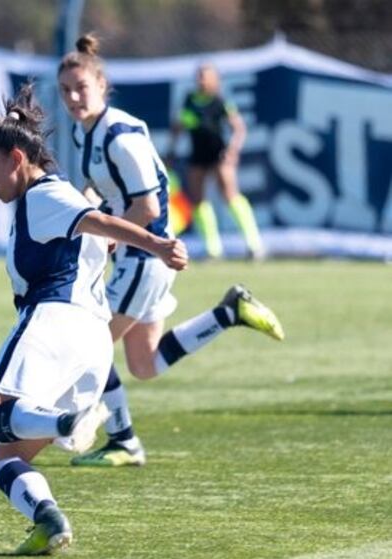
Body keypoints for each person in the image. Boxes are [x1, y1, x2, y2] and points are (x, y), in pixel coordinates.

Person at [0, 83, 188, 555]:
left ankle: (67, 422)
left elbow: (101, 223)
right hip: (91, 343)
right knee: (5, 455)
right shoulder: (50, 197)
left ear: (16, 158)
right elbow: (94, 233)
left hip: (55, 322)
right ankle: (48, 519)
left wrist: (156, 243)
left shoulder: (46, 196)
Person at [57, 34, 285, 468]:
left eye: (81, 87)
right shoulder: (84, 130)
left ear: (102, 86)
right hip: (139, 257)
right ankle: (229, 312)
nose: (72, 98)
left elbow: (148, 207)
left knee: (90, 346)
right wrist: (80, 214)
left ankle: (123, 440)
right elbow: (100, 187)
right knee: (143, 364)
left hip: (146, 258)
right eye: (65, 90)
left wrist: (106, 236)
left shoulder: (119, 137)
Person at [168, 63, 264, 259]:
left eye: (205, 77)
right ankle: (212, 248)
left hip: (218, 155)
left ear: (215, 80)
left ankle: (253, 244)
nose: (201, 81)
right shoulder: (190, 100)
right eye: (199, 77)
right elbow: (180, 126)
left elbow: (238, 128)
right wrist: (171, 150)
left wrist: (232, 151)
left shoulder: (219, 101)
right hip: (198, 155)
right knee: (198, 200)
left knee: (230, 195)